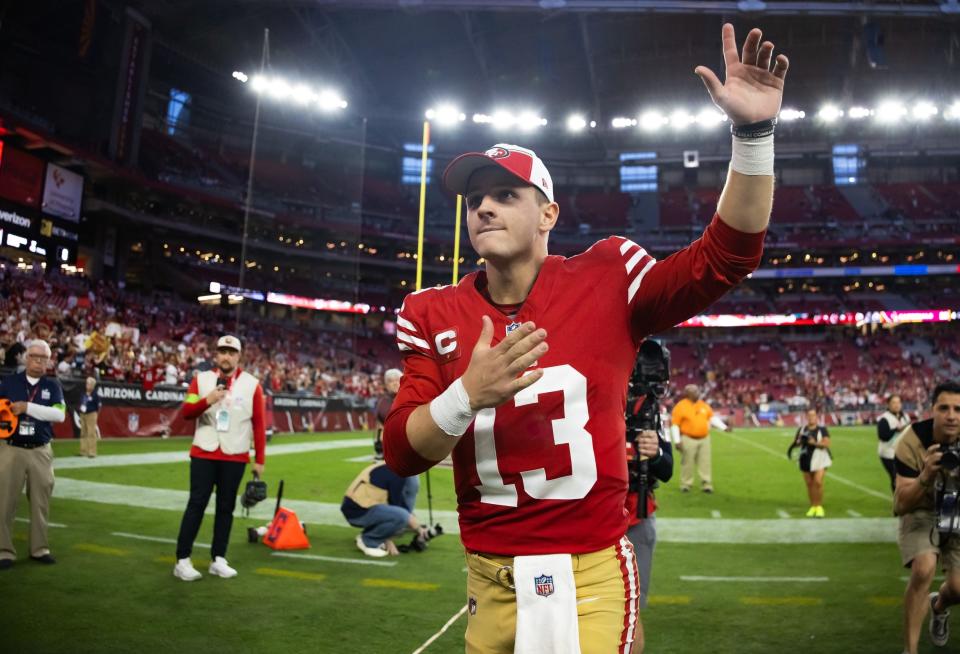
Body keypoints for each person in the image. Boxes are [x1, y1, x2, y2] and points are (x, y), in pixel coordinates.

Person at [383, 23, 788, 653]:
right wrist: (467, 394)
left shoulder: (608, 277)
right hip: (488, 572)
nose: (484, 208)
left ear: (548, 214)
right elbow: (403, 454)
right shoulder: (432, 312)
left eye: (505, 194)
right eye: (474, 199)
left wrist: (753, 136)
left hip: (590, 565)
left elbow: (725, 259)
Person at [172, 335, 266, 581]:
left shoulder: (252, 384)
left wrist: (260, 459)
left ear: (238, 356)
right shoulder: (200, 380)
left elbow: (259, 424)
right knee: (197, 504)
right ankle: (182, 560)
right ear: (216, 355)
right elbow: (186, 412)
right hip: (204, 451)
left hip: (235, 454)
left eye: (231, 352)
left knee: (226, 508)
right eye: (222, 351)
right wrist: (208, 400)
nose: (226, 356)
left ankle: (219, 558)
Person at [893, 380, 960, 654]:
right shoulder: (912, 440)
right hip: (922, 506)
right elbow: (900, 504)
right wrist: (925, 477)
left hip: (955, 508)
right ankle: (910, 651)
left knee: (957, 589)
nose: (952, 415)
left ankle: (939, 605)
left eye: (958, 408)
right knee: (923, 568)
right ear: (932, 409)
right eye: (943, 408)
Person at [0, 339, 66, 569]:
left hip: (40, 451)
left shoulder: (53, 385)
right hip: (11, 448)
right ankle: (4, 551)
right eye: (35, 356)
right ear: (26, 357)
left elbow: (59, 416)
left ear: (48, 361)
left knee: (40, 503)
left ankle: (39, 549)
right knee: (5, 502)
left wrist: (27, 408)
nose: (38, 361)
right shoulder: (8, 382)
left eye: (43, 358)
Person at [625, 429, 673, 610]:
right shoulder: (588, 406)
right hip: (591, 516)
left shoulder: (646, 409)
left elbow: (667, 470)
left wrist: (655, 453)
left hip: (636, 513)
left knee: (631, 608)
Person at [340, 460, 425, 557]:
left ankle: (372, 533)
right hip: (357, 513)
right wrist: (388, 539)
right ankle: (369, 541)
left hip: (357, 506)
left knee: (404, 514)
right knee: (402, 516)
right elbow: (396, 507)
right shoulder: (397, 474)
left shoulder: (388, 465)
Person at [671, 384, 730, 494]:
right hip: (688, 438)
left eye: (698, 391)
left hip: (704, 438)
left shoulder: (703, 405)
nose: (698, 393)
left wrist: (724, 427)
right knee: (687, 462)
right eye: (695, 391)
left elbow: (711, 418)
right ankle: (686, 484)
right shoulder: (680, 406)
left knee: (705, 462)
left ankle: (706, 483)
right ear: (687, 394)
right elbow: (675, 425)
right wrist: (677, 440)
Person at [788, 408, 831, 517]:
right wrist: (798, 442)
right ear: (806, 417)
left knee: (818, 482)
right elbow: (796, 442)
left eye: (813, 415)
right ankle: (813, 506)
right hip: (805, 458)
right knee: (809, 484)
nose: (811, 417)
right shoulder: (802, 429)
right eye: (809, 415)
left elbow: (826, 444)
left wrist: (814, 443)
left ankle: (819, 506)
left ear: (817, 417)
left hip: (819, 458)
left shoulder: (822, 429)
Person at [879, 394, 911, 492]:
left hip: (902, 453)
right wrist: (896, 430)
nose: (896, 405)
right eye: (893, 402)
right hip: (888, 454)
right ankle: (898, 500)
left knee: (905, 478)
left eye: (898, 402)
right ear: (888, 404)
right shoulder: (884, 418)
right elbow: (883, 436)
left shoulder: (905, 416)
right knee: (895, 477)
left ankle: (903, 498)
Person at [373, 369, 402, 460]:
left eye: (397, 380)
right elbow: (379, 427)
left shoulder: (410, 398)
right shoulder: (382, 403)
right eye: (391, 381)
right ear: (386, 385)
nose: (395, 383)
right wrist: (378, 446)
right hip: (389, 450)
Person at [78, 377, 100, 458]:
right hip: (82, 414)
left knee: (91, 433)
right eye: (87, 383)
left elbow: (98, 406)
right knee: (83, 433)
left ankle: (92, 452)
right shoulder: (83, 393)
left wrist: (94, 413)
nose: (87, 385)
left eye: (89, 383)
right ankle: (83, 451)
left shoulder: (95, 395)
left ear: (93, 385)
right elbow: (81, 403)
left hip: (91, 414)